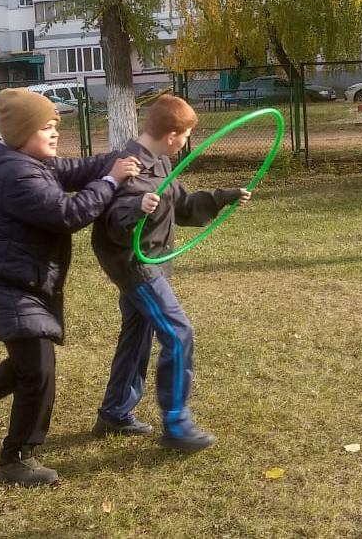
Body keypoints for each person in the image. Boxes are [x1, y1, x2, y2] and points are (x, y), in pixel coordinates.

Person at [0, 88, 140, 487]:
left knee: (29, 365)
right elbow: (67, 213)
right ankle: (17, 458)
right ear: (22, 133)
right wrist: (111, 180)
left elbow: (74, 169)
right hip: (5, 284)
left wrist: (122, 157)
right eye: (46, 127)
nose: (55, 132)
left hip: (16, 279)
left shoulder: (26, 161)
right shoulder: (16, 173)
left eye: (55, 125)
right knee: (38, 370)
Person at [90, 95, 250, 453]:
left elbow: (183, 204)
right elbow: (114, 219)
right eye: (187, 135)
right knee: (178, 333)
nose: (186, 142)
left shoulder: (160, 163)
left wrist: (223, 197)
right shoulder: (130, 166)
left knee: (138, 334)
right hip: (137, 267)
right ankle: (177, 424)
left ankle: (115, 412)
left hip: (153, 261)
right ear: (173, 135)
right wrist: (137, 207)